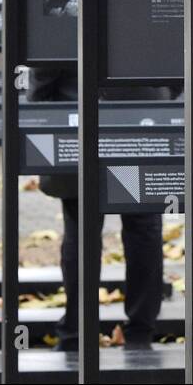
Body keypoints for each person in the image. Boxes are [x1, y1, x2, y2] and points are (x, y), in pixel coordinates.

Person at [29, 67, 165, 351]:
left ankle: (76, 331)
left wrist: (42, 105)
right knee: (144, 227)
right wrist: (159, 94)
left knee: (81, 228)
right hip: (140, 113)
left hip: (80, 109)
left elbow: (46, 62)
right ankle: (140, 332)